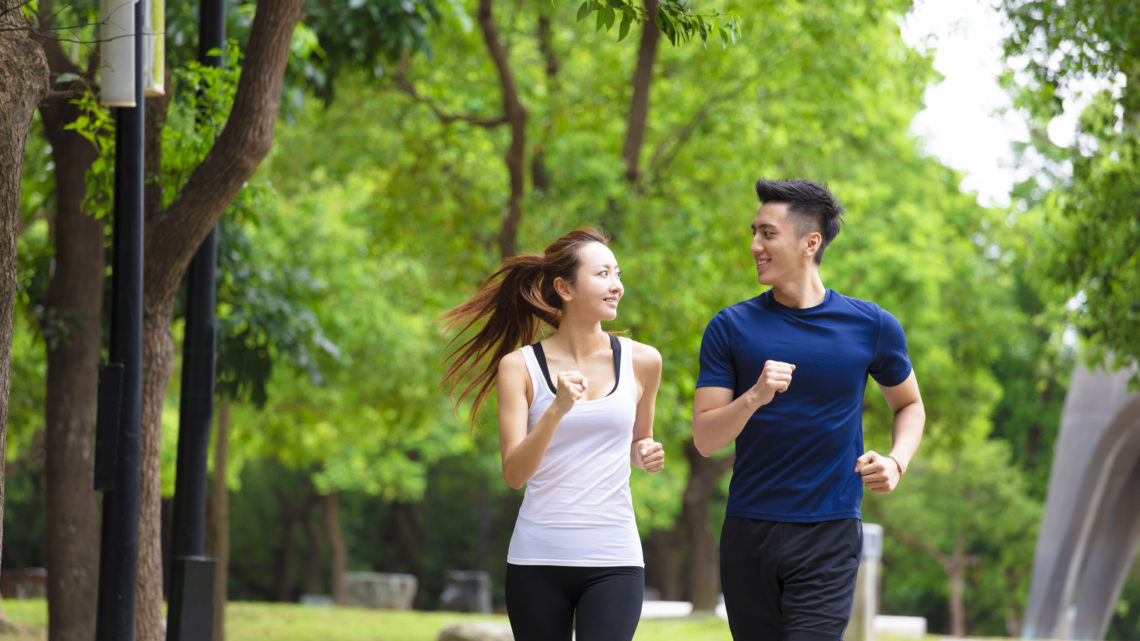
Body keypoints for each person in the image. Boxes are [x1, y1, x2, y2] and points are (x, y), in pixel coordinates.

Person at [692, 179, 925, 641]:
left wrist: (897, 461)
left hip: (830, 531)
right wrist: (754, 396)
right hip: (748, 530)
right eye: (754, 232)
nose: (755, 245)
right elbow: (706, 439)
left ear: (810, 242)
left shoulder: (871, 326)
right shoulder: (730, 327)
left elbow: (910, 404)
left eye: (767, 233)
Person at [440, 227, 666, 641]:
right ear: (564, 287)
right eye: (602, 274)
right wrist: (557, 410)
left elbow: (639, 440)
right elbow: (514, 473)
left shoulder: (644, 361)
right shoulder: (519, 367)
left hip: (615, 555)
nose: (617, 285)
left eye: (617, 274)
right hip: (538, 559)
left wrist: (645, 453)